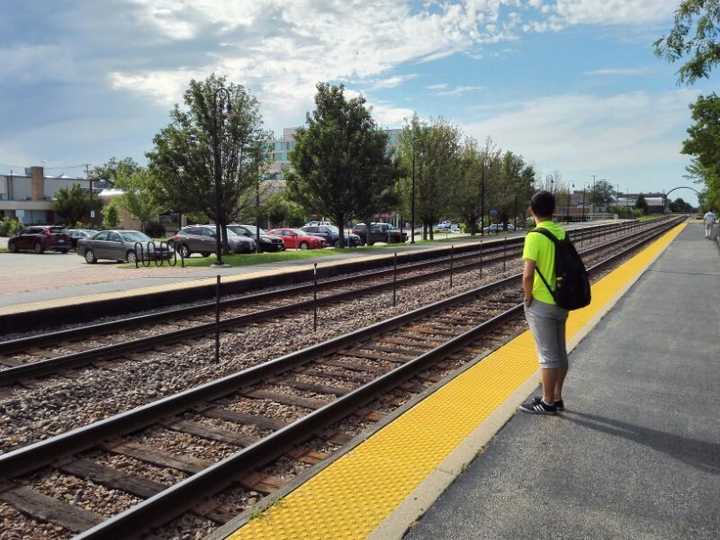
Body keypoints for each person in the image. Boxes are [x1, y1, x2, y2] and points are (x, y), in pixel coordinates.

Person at [519, 191, 568, 415]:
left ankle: (547, 402)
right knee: (560, 351)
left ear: (532, 210)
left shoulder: (535, 236)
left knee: (547, 355)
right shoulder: (560, 232)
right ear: (553, 210)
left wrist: (528, 296)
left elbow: (527, 275)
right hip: (562, 300)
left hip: (542, 303)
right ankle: (557, 397)